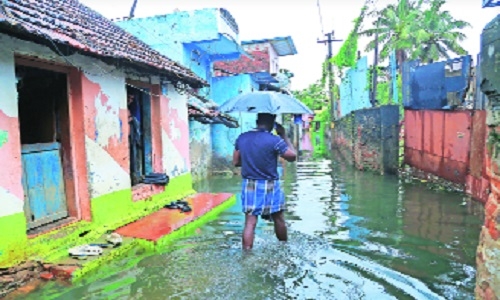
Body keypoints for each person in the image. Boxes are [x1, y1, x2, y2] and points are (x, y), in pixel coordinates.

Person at [232, 113, 297, 250]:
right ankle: (284, 248)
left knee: (250, 222)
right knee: (279, 219)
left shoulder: (242, 138)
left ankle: (247, 255)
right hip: (270, 184)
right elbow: (292, 157)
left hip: (249, 183)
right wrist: (283, 135)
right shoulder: (275, 140)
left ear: (257, 121)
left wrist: (251, 160)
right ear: (272, 123)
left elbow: (236, 162)